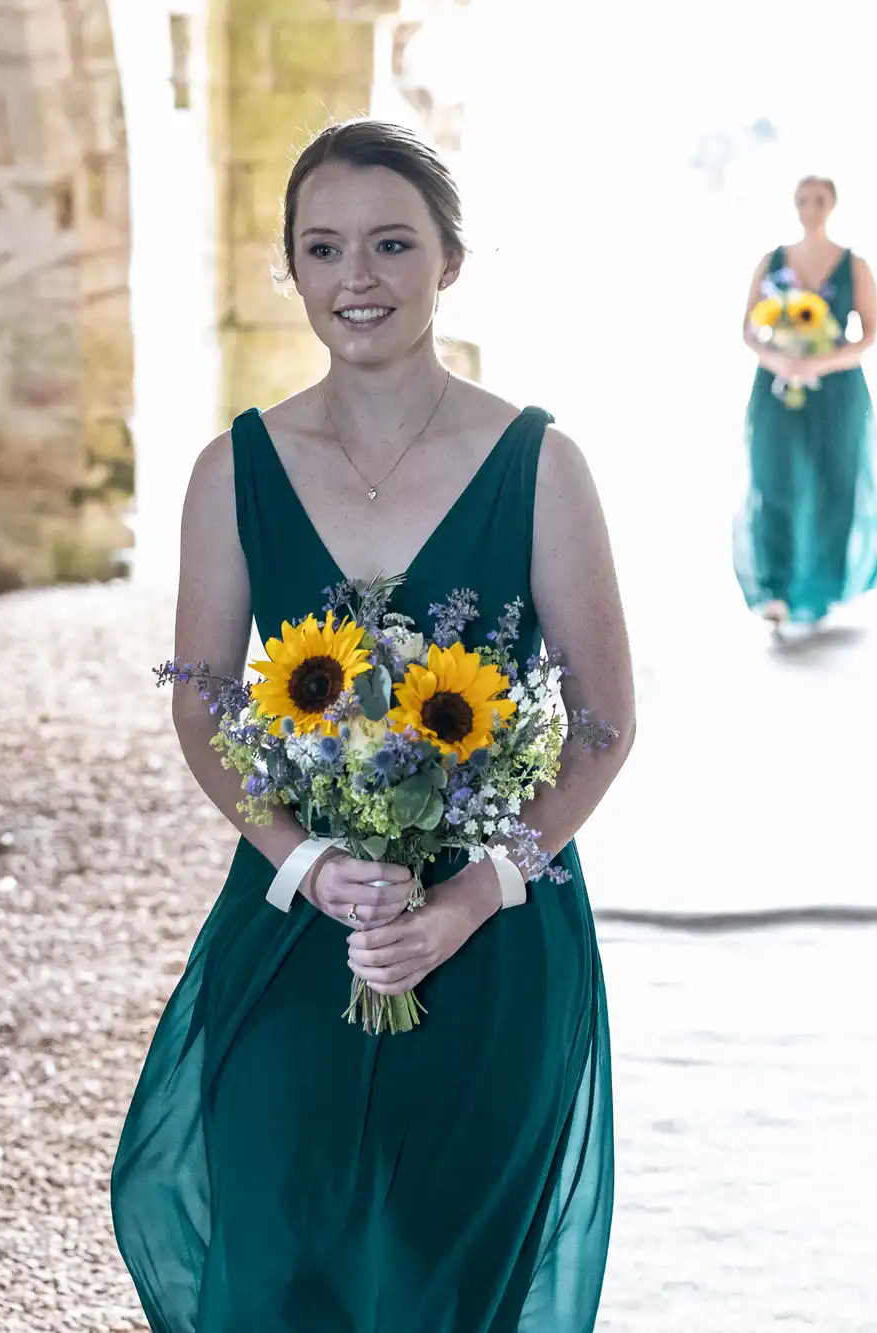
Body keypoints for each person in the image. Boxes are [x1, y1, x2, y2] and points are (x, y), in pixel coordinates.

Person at [111, 118, 636, 1333]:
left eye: (391, 244)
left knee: (446, 1272)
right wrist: (306, 860)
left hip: (498, 939)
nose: (358, 278)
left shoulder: (539, 465)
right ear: (290, 270)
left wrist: (467, 898)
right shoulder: (231, 470)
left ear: (447, 261)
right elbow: (203, 701)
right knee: (279, 1238)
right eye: (325, 247)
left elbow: (602, 721)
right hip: (297, 925)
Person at [734, 174, 877, 636]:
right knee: (773, 480)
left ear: (832, 204)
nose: (811, 207)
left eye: (819, 199)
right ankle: (775, 589)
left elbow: (869, 334)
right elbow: (747, 328)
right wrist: (780, 359)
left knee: (834, 485)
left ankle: (821, 588)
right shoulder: (771, 261)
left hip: (837, 391)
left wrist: (820, 364)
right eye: (803, 199)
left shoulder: (854, 265)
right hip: (776, 387)